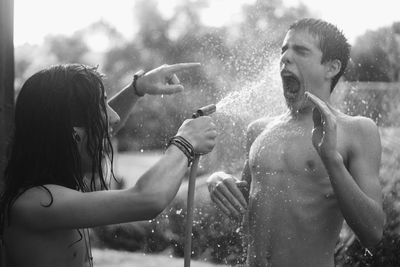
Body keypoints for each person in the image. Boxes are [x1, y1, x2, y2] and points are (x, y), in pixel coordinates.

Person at [0, 62, 217, 267]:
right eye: (102, 105)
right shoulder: (34, 203)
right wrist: (185, 143)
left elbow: (100, 128)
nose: (114, 117)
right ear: (72, 133)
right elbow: (147, 199)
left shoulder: (53, 185)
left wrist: (137, 89)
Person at [207, 18, 384, 267]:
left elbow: (373, 233)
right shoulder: (259, 130)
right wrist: (217, 179)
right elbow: (249, 202)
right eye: (284, 50)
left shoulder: (356, 130)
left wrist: (332, 160)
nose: (286, 58)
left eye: (300, 51)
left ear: (331, 67)